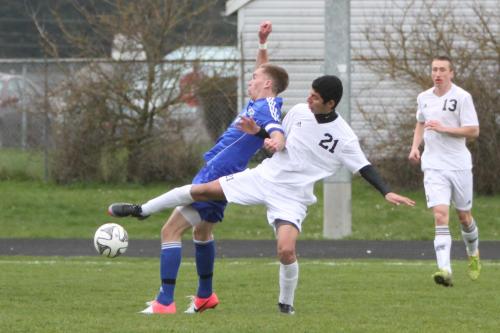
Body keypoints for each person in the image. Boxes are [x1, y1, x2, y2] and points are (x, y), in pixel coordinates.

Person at [110, 75, 415, 314]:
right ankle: (144, 209)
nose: (308, 98)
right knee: (202, 190)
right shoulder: (298, 111)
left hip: (293, 196)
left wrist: (386, 192)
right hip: (264, 177)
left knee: (285, 251)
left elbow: (365, 167)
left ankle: (285, 305)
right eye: (309, 92)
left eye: (316, 97)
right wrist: (259, 132)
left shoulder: (344, 137)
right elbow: (275, 136)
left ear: (331, 103)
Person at [110, 21, 289, 314]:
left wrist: (275, 143)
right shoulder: (258, 101)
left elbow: (276, 130)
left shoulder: (266, 107)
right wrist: (262, 44)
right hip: (226, 173)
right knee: (202, 234)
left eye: (254, 77)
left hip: (218, 173)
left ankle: (164, 298)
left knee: (170, 231)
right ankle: (205, 296)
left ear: (266, 84)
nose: (250, 78)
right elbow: (265, 70)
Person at [408, 56, 480, 287]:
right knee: (440, 214)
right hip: (433, 165)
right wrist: (415, 147)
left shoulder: (462, 97)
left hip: (459, 165)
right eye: (434, 70)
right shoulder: (424, 98)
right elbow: (421, 122)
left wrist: (444, 128)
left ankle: (473, 253)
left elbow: (473, 130)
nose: (437, 74)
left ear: (451, 73)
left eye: (442, 70)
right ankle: (444, 270)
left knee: (464, 217)